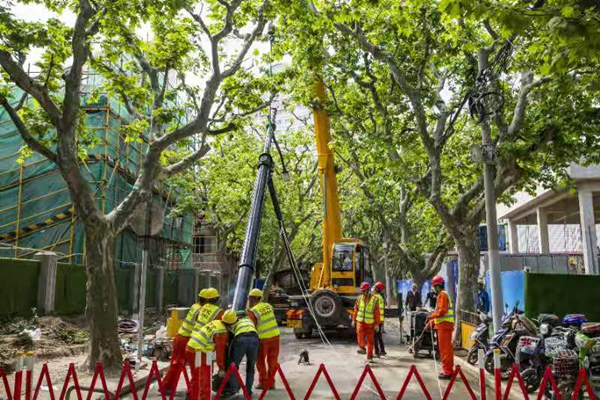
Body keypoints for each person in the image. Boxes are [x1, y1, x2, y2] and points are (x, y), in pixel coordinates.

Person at [163, 289, 207, 393]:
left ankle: (167, 386)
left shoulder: (195, 306)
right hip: (187, 339)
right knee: (196, 367)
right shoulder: (201, 311)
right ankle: (193, 390)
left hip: (179, 336)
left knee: (175, 363)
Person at [186, 310, 231, 400]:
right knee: (205, 377)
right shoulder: (222, 332)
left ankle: (191, 396)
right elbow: (220, 352)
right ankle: (203, 397)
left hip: (190, 347)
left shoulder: (215, 322)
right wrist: (221, 368)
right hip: (199, 352)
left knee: (197, 376)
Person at [247, 288, 280, 391]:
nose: (249, 301)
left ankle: (263, 383)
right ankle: (271, 383)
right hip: (275, 337)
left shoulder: (253, 311)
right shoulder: (268, 306)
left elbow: (251, 326)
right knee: (273, 361)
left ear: (253, 299)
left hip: (262, 339)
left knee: (260, 361)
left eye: (250, 299)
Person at [223, 310, 259, 397]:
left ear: (237, 317)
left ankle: (234, 389)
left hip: (241, 339)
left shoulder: (235, 322)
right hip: (254, 339)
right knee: (251, 368)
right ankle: (248, 392)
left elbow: (230, 339)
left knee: (233, 367)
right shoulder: (250, 321)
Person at [426, 276, 455, 379]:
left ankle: (448, 372)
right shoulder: (444, 294)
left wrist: (431, 316)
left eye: (434, 286)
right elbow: (442, 313)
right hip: (445, 325)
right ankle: (449, 370)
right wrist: (433, 321)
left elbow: (442, 311)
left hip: (444, 326)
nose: (434, 289)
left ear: (438, 286)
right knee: (447, 349)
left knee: (444, 350)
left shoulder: (442, 295)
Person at [352, 281, 381, 363]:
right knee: (359, 332)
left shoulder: (375, 300)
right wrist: (354, 320)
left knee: (370, 341)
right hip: (360, 321)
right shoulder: (359, 299)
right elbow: (355, 310)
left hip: (370, 324)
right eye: (362, 291)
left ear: (368, 290)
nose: (363, 292)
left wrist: (376, 324)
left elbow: (377, 313)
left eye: (364, 290)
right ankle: (362, 347)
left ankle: (370, 357)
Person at [372, 282, 386, 357]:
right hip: (380, 320)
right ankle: (383, 350)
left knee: (375, 336)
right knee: (379, 335)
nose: (373, 288)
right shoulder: (380, 297)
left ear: (377, 289)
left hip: (376, 320)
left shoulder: (375, 297)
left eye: (374, 287)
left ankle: (377, 352)